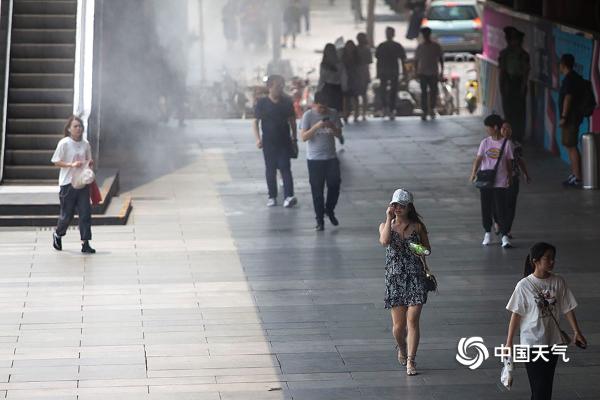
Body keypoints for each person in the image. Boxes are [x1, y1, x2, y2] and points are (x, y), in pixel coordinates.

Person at [505, 242, 586, 400]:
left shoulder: (558, 282)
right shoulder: (524, 285)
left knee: (545, 386)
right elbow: (516, 315)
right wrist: (509, 342)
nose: (552, 262)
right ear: (536, 260)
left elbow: (567, 307)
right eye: (547, 258)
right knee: (539, 387)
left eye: (553, 258)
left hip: (553, 341)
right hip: (532, 343)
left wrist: (577, 332)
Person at [378, 188, 430, 376]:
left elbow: (427, 250)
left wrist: (416, 247)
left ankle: (411, 360)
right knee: (398, 327)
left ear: (409, 207)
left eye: (402, 205)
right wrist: (387, 217)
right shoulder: (386, 226)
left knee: (412, 321)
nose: (398, 208)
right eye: (395, 204)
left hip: (415, 277)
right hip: (394, 279)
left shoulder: (417, 227)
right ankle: (402, 347)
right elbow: (384, 242)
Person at [51, 115, 96, 254]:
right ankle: (58, 233)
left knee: (85, 213)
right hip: (67, 184)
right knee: (67, 215)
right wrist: (71, 164)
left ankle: (85, 242)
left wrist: (89, 167)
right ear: (69, 129)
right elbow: (55, 161)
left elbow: (89, 160)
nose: (78, 129)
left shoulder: (85, 144)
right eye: (75, 126)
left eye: (80, 126)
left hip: (82, 184)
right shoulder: (64, 143)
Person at [469, 114, 514, 248]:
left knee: (501, 208)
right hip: (485, 182)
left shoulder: (507, 143)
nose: (486, 130)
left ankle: (504, 235)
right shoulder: (485, 142)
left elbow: (508, 163)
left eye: (488, 127)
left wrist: (510, 178)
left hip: (500, 182)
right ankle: (487, 232)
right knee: (486, 207)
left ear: (495, 127)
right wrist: (473, 173)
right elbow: (479, 159)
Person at [253, 75, 298, 208]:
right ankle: (272, 196)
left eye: (281, 86)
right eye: (277, 86)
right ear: (270, 87)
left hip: (284, 141)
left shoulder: (287, 102)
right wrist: (257, 139)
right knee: (270, 169)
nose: (280, 88)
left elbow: (292, 121)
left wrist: (294, 138)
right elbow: (255, 122)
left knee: (285, 168)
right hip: (268, 142)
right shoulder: (262, 103)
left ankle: (289, 196)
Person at [300, 91, 343, 231]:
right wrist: (317, 126)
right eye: (320, 108)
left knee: (334, 184)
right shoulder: (308, 115)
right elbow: (304, 137)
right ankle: (320, 220)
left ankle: (329, 209)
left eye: (325, 107)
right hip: (314, 159)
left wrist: (332, 127)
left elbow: (339, 135)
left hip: (331, 157)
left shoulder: (333, 113)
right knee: (317, 190)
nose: (323, 110)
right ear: (314, 104)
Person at [498, 26, 530, 142]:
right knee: (513, 111)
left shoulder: (521, 55)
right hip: (510, 84)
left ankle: (515, 135)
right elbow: (502, 72)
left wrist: (522, 87)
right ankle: (514, 134)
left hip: (514, 84)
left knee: (515, 111)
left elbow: (525, 72)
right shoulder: (507, 54)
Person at [500, 122, 530, 238]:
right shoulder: (495, 144)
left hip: (513, 178)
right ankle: (499, 223)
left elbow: (520, 160)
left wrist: (525, 174)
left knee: (511, 205)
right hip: (499, 179)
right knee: (499, 204)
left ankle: (507, 230)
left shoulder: (516, 145)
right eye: (503, 128)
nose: (506, 130)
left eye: (508, 128)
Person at [559, 53, 585, 187]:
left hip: (570, 118)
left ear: (563, 64)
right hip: (574, 117)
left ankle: (578, 177)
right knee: (570, 146)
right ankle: (575, 174)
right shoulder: (574, 78)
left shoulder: (569, 79)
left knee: (571, 146)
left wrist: (563, 117)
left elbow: (568, 98)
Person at [376, 27, 407, 120]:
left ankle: (389, 108)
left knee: (389, 90)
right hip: (390, 71)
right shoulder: (395, 45)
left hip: (389, 71)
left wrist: (404, 72)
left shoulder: (383, 46)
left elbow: (402, 60)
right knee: (387, 90)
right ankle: (387, 108)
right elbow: (402, 60)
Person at [414, 27, 444, 121]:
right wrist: (416, 72)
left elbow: (440, 59)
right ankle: (425, 110)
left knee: (433, 92)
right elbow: (416, 60)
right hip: (423, 72)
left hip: (433, 72)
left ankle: (431, 108)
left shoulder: (435, 46)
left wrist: (441, 71)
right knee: (424, 92)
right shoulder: (420, 47)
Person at [318, 43, 346, 112]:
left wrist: (319, 89)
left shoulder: (323, 64)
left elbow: (322, 78)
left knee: (328, 109)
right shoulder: (339, 63)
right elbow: (343, 77)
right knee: (335, 110)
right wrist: (345, 87)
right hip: (336, 88)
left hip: (327, 88)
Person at [341, 40, 360, 123]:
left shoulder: (356, 57)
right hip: (346, 79)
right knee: (346, 98)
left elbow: (359, 68)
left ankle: (356, 114)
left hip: (354, 79)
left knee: (355, 97)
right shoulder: (343, 57)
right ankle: (346, 114)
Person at [356, 32, 372, 121]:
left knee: (356, 95)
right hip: (364, 73)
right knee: (363, 94)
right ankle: (363, 113)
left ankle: (357, 112)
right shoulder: (367, 49)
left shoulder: (356, 49)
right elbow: (369, 62)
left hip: (357, 73)